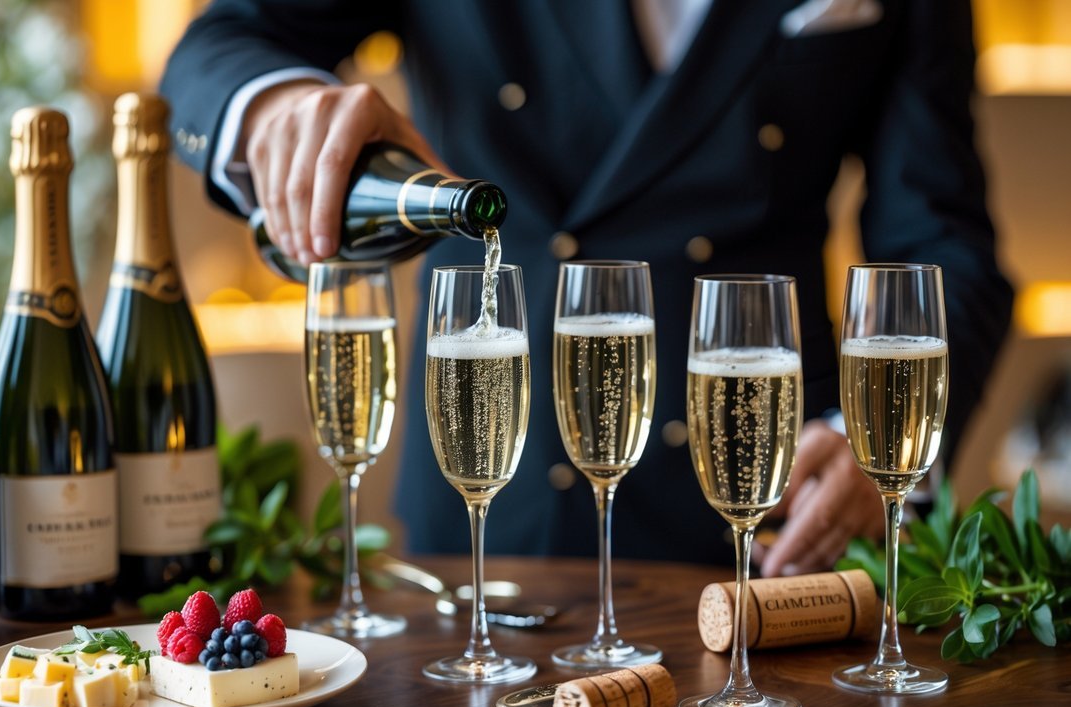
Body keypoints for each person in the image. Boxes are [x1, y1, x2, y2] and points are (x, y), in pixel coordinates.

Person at [160, 0, 1013, 575]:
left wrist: (880, 446)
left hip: (778, 518)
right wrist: (274, 109)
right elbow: (220, 40)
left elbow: (942, 240)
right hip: (498, 499)